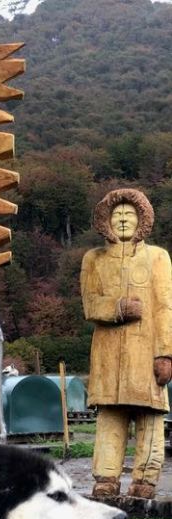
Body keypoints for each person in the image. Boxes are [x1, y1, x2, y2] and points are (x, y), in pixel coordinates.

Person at [81, 188, 172, 499]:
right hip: (108, 356)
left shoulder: (158, 257)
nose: (122, 220)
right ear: (106, 220)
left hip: (146, 354)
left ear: (141, 219)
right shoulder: (93, 259)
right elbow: (89, 304)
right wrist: (117, 308)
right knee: (110, 416)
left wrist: (166, 354)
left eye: (129, 214)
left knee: (150, 417)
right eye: (117, 214)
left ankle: (145, 481)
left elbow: (165, 307)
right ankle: (106, 479)